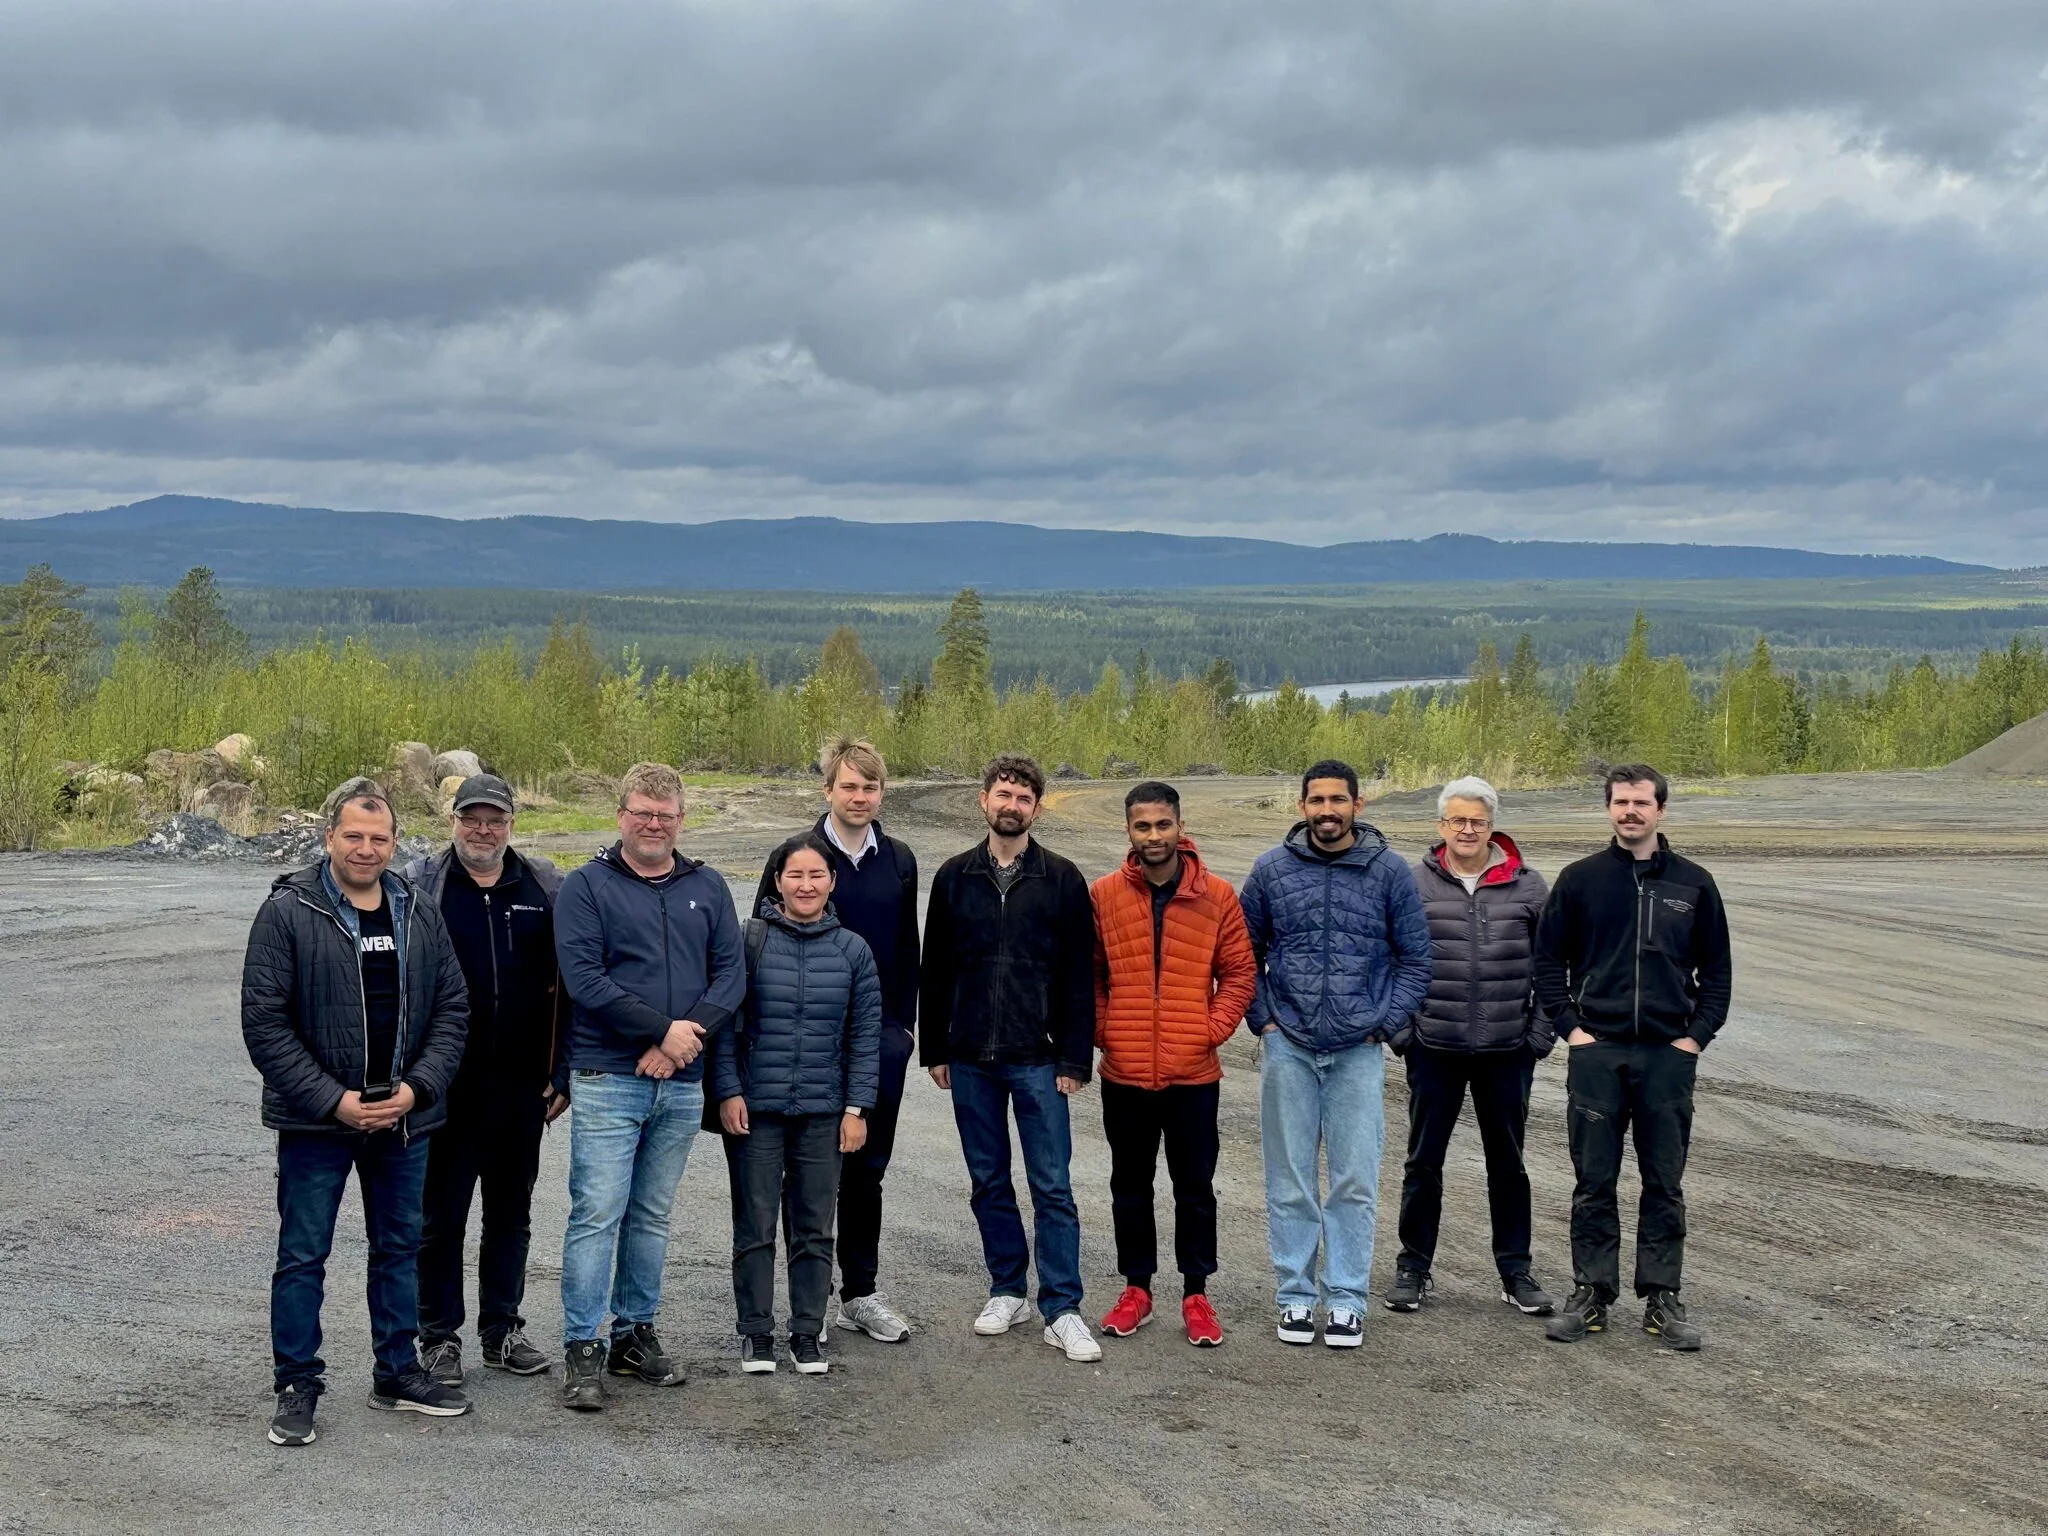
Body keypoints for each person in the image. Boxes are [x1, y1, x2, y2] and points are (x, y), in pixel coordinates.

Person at [241, 778, 470, 1448]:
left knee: (398, 1249)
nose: (366, 849)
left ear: (395, 842)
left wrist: (417, 1089)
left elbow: (452, 1010)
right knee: (303, 1255)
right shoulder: (288, 912)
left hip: (403, 1120)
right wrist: (333, 1100)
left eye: (378, 838)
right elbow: (265, 1025)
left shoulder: (418, 910)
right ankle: (297, 1384)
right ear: (329, 837)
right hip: (317, 1124)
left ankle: (396, 1373)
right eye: (353, 836)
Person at [552, 761, 744, 1409]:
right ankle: (584, 1345)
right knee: (598, 1213)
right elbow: (585, 980)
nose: (653, 824)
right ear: (621, 816)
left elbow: (730, 976)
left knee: (651, 1215)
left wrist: (685, 1038)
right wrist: (662, 1031)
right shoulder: (586, 886)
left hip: (681, 1082)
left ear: (681, 819)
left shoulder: (707, 886)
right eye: (642, 812)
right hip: (608, 1075)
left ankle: (634, 1333)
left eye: (664, 814)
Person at [1535, 764, 1732, 1352]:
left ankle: (1662, 1298)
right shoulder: (1581, 880)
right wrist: (1572, 1030)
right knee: (1593, 1179)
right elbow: (1547, 963)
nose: (1630, 812)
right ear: (1608, 809)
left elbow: (1717, 972)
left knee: (1664, 1181)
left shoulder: (1694, 884)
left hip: (1667, 1056)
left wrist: (1694, 1037)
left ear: (1660, 810)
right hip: (1598, 1052)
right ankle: (1592, 1292)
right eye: (1621, 802)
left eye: (1641, 802)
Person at [1239, 759, 1432, 1348]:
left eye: (1338, 800)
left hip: (1358, 1050)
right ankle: (1295, 1297)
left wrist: (1384, 1024)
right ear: (1302, 807)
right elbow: (1243, 953)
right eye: (1317, 800)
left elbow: (1416, 959)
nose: (1328, 811)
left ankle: (1347, 1298)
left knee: (1354, 1180)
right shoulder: (1270, 870)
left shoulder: (1389, 872)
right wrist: (1265, 1021)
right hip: (1289, 1047)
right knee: (1290, 1179)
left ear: (1358, 805)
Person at [921, 754, 1103, 1363]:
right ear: (984, 800)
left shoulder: (1063, 879)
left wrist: (1075, 1058)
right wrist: (936, 1046)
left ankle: (1062, 1307)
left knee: (1053, 1186)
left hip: (1039, 1059)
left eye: (1024, 798)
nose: (1012, 806)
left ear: (1037, 809)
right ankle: (1007, 1290)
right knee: (989, 1180)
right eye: (1003, 795)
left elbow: (1079, 975)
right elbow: (934, 968)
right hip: (970, 1056)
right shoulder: (955, 876)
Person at [750, 736, 919, 1344]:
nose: (860, 797)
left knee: (867, 1169)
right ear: (828, 790)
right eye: (849, 785)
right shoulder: (798, 856)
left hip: (878, 1042)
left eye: (870, 787)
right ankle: (811, 1298)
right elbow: (761, 947)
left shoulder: (899, 860)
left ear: (882, 793)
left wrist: (901, 1031)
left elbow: (907, 948)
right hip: (807, 1043)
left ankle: (860, 1293)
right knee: (807, 1175)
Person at [403, 773, 568, 1386]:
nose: (483, 830)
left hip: (522, 1090)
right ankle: (438, 1337)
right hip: (443, 1089)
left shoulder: (544, 887)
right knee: (439, 1220)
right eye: (471, 818)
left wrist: (563, 1069)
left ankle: (502, 1330)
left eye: (494, 820)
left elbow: (571, 986)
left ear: (510, 826)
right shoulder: (421, 886)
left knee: (510, 1216)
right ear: (452, 821)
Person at [1090, 781, 1258, 1348]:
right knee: (1129, 1185)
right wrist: (1106, 1031)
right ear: (1128, 831)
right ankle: (1136, 1290)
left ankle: (1196, 1294)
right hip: (1125, 1073)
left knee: (1195, 1187)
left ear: (1180, 827)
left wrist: (1208, 1032)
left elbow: (1239, 974)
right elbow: (1090, 976)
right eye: (1143, 826)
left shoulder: (1217, 896)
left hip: (1193, 1076)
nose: (1154, 835)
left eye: (1163, 825)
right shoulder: (1104, 895)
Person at [1387, 776, 1555, 1319]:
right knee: (1423, 1162)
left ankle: (1515, 1271)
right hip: (1433, 1045)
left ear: (1491, 826)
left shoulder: (1528, 886)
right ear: (1441, 825)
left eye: (1477, 821)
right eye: (1457, 820)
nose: (1467, 829)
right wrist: (1403, 1032)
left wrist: (1537, 1036)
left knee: (1508, 1165)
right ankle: (1413, 1268)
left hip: (1507, 1049)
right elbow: (1388, 959)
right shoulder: (1413, 883)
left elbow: (1554, 966)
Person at [716, 834, 883, 1376]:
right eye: (795, 875)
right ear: (777, 881)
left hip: (823, 1112)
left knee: (814, 1227)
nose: (805, 885)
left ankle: (807, 1332)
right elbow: (724, 1025)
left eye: (816, 875)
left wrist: (857, 1108)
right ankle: (756, 1332)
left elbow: (865, 1037)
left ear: (832, 882)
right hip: (755, 1111)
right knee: (755, 1224)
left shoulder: (854, 951)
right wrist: (727, 1091)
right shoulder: (748, 941)